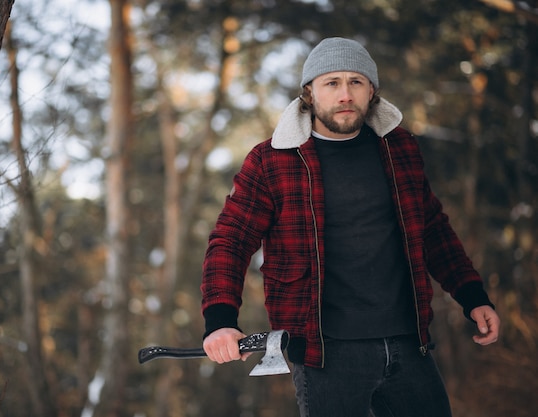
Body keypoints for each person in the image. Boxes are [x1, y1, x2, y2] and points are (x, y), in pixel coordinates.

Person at [200, 37, 500, 417]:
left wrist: (473, 296)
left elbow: (433, 228)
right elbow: (231, 240)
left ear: (371, 91)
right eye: (332, 83)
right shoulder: (272, 160)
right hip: (325, 352)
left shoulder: (399, 148)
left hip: (409, 343)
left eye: (356, 82)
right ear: (310, 93)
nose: (345, 94)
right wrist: (221, 321)